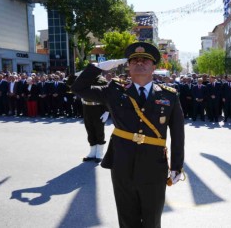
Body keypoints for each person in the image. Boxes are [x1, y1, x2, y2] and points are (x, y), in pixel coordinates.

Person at [71, 42, 185, 228]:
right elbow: (78, 88)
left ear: (154, 67)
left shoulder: (169, 95)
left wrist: (177, 166)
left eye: (145, 60)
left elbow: (178, 134)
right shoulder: (114, 91)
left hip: (154, 166)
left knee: (152, 219)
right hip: (122, 163)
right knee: (127, 218)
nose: (140, 63)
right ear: (128, 66)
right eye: (135, 60)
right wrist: (98, 67)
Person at [80, 74, 110, 163]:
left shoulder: (102, 80)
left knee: (99, 130)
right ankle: (92, 152)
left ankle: (99, 153)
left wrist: (107, 111)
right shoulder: (85, 79)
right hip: (86, 107)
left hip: (99, 108)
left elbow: (107, 97)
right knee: (89, 130)